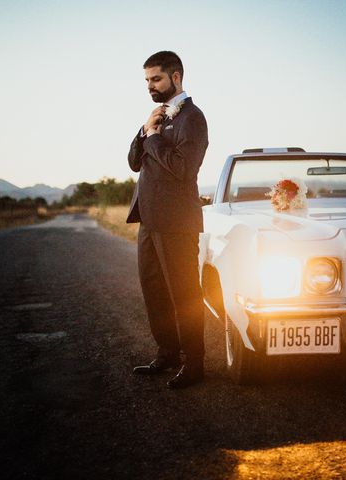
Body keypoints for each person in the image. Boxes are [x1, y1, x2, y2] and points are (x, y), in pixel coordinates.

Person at [127, 51, 208, 389]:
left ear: (176, 78)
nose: (150, 86)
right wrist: (146, 129)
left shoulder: (193, 118)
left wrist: (155, 136)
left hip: (177, 222)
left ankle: (195, 363)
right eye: (146, 80)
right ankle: (168, 353)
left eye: (155, 79)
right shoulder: (154, 117)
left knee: (184, 294)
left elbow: (182, 169)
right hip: (149, 220)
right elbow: (133, 161)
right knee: (155, 292)